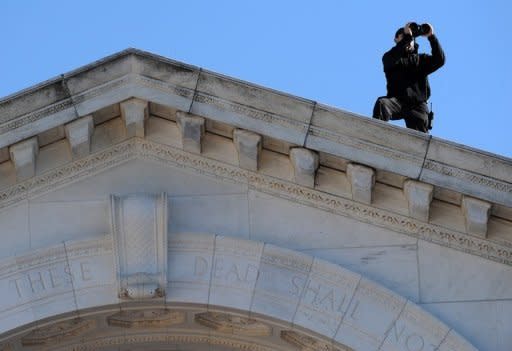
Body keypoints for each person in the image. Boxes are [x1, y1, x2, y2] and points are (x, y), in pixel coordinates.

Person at [373, 22, 445, 132]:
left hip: (417, 105)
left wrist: (431, 36)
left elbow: (439, 60)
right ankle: (375, 135)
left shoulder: (420, 60)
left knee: (420, 133)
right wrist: (407, 37)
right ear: (396, 39)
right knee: (382, 104)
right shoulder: (389, 57)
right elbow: (394, 58)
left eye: (411, 38)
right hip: (397, 101)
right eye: (404, 36)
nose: (409, 39)